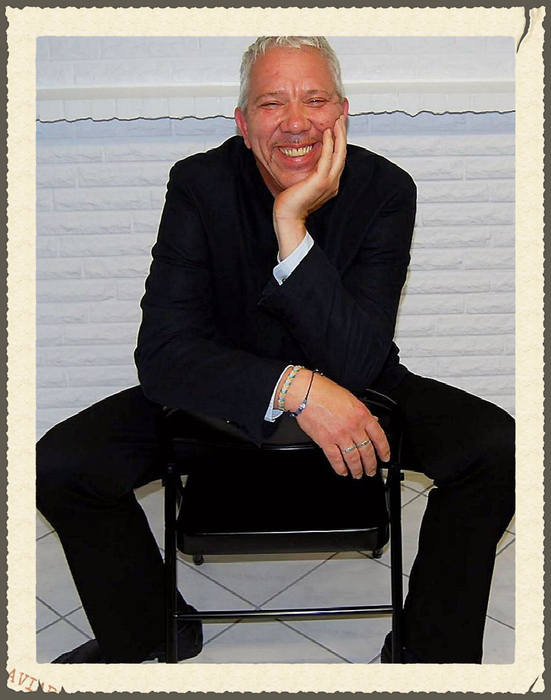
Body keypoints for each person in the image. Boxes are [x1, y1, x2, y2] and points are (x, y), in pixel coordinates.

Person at [36, 36, 514, 664]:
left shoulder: (386, 189)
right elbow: (163, 354)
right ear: (243, 123)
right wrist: (295, 388)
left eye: (314, 99)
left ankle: (429, 652)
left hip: (360, 386)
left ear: (341, 112)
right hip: (222, 399)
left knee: (496, 447)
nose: (295, 122)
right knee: (60, 463)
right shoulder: (198, 184)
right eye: (271, 103)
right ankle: (152, 629)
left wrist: (292, 227)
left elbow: (358, 359)